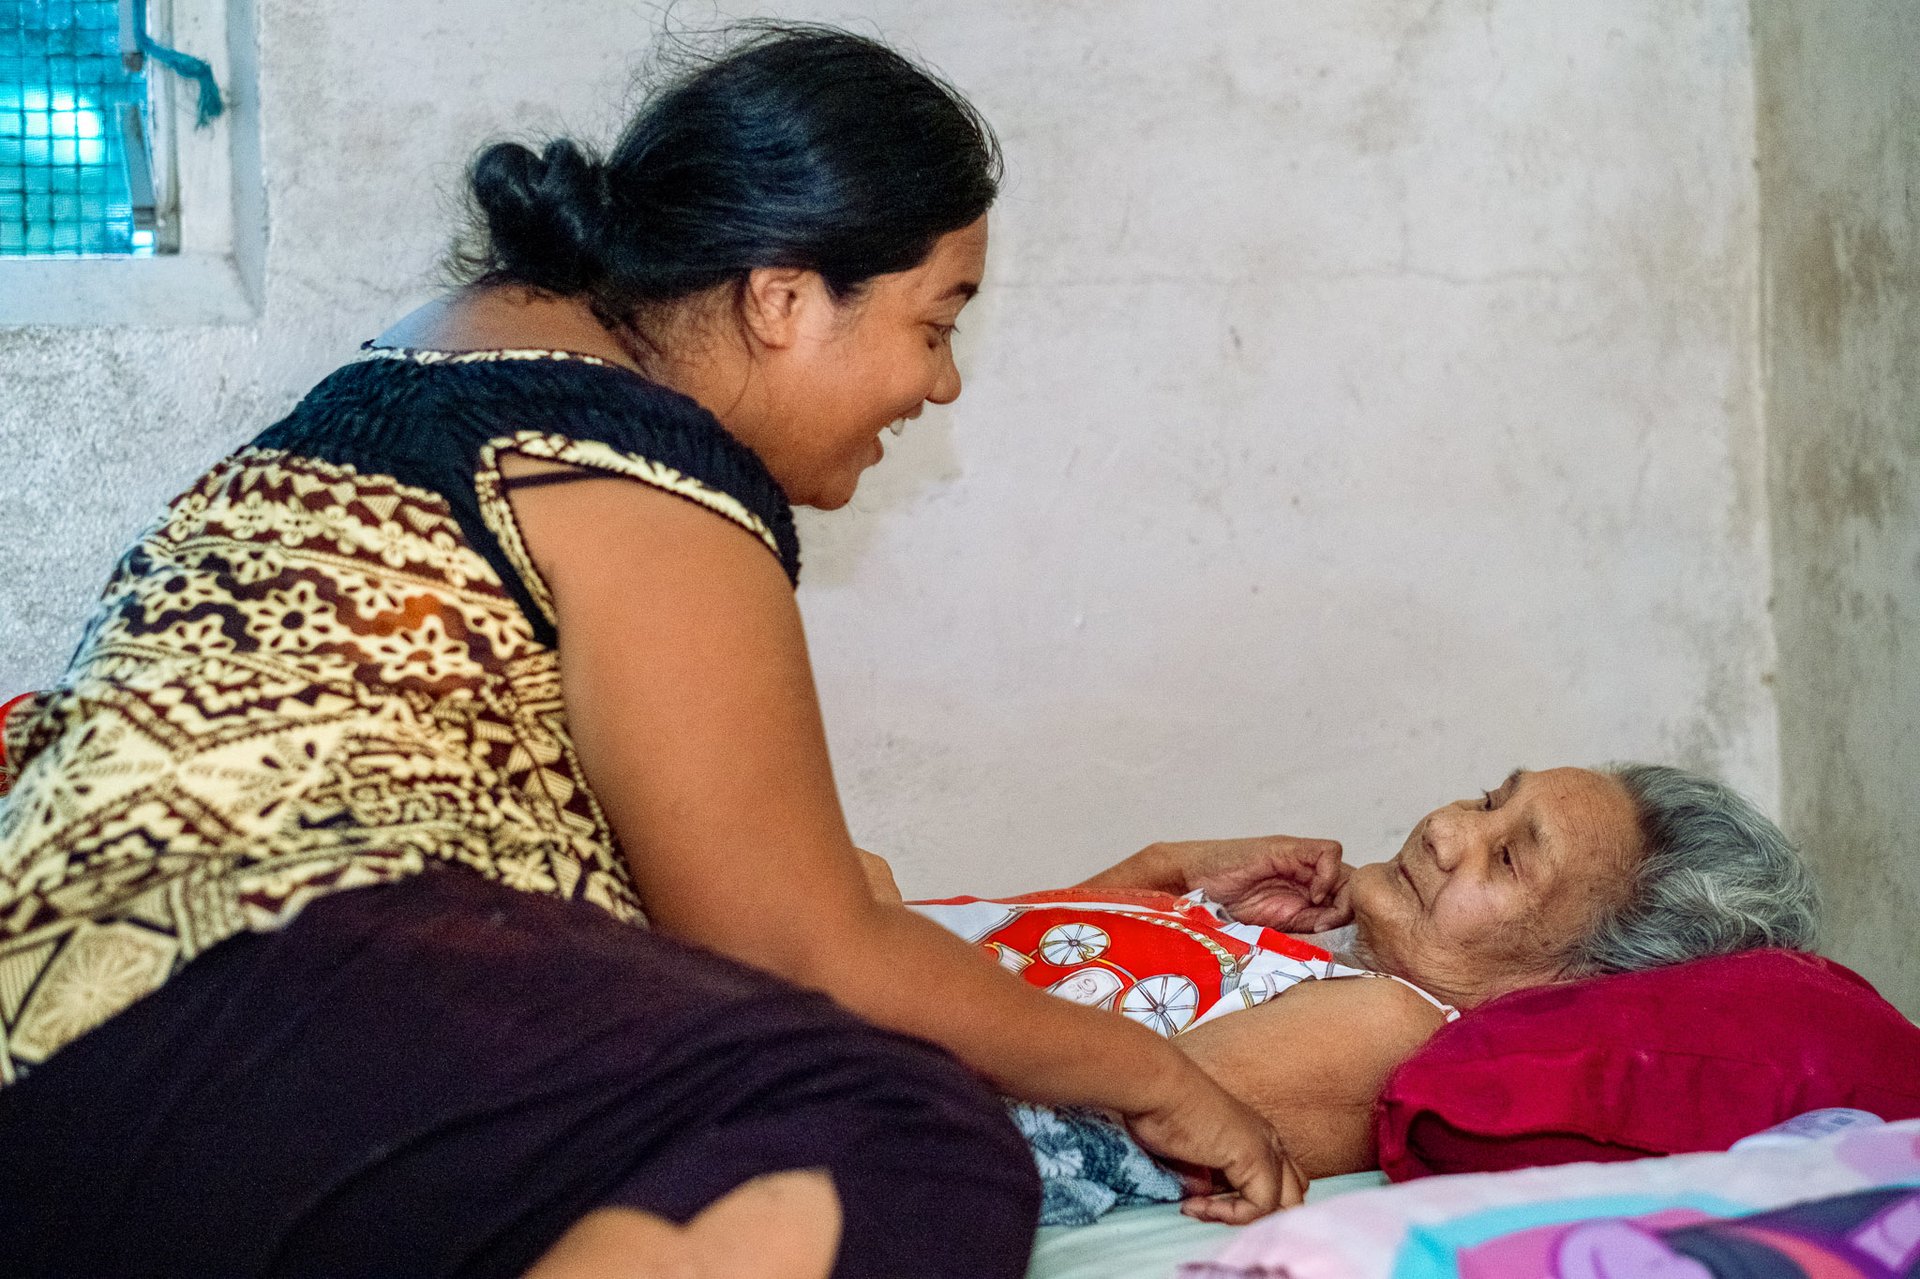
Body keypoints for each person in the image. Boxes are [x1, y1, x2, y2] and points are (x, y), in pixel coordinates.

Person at [0, 25, 1320, 1279]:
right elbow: (803, 952)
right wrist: (1156, 1075)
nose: (941, 384)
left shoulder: (420, 376)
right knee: (900, 1133)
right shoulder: (624, 461)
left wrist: (1067, 901)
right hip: (228, 1018)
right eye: (934, 322)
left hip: (76, 1045)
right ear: (783, 297)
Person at [893, 763, 1819, 1205]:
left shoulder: (1388, 1024)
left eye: (1507, 858)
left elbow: (1036, 1124)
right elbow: (1007, 966)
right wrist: (1157, 879)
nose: (1446, 829)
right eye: (1489, 799)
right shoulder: (1322, 964)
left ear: (1565, 981)